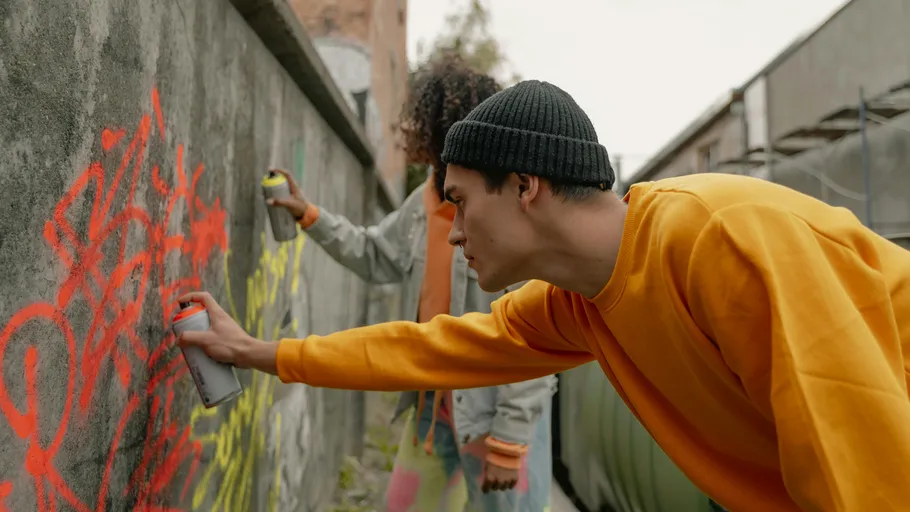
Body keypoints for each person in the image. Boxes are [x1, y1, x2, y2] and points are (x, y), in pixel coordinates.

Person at [178, 80, 910, 512]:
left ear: (525, 187)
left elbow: (866, 480)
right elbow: (427, 348)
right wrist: (254, 351)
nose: (453, 231)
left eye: (461, 203)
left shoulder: (722, 238)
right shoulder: (576, 303)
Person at [266, 54, 555, 512]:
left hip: (497, 417)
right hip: (432, 410)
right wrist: (311, 216)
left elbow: (535, 334)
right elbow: (375, 254)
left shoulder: (511, 210)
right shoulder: (423, 204)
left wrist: (510, 438)